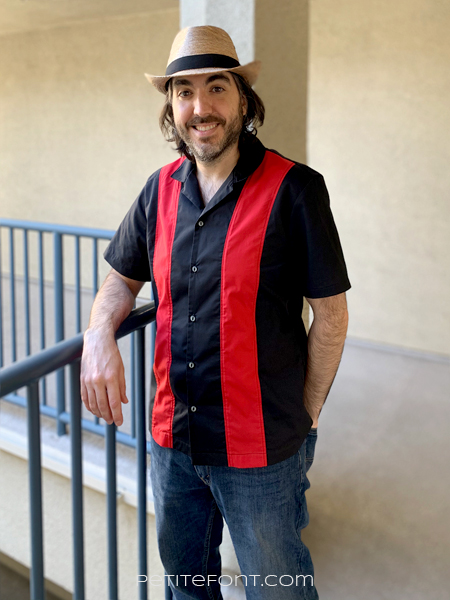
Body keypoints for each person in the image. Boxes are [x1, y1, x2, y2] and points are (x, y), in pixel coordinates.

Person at [80, 25, 350, 600]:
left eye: (217, 87)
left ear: (243, 101)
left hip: (262, 451)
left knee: (278, 591)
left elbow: (330, 315)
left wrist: (305, 415)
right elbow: (120, 279)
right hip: (172, 442)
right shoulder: (158, 191)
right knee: (187, 589)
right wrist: (98, 334)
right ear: (171, 106)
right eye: (184, 91)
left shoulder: (295, 189)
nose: (200, 107)